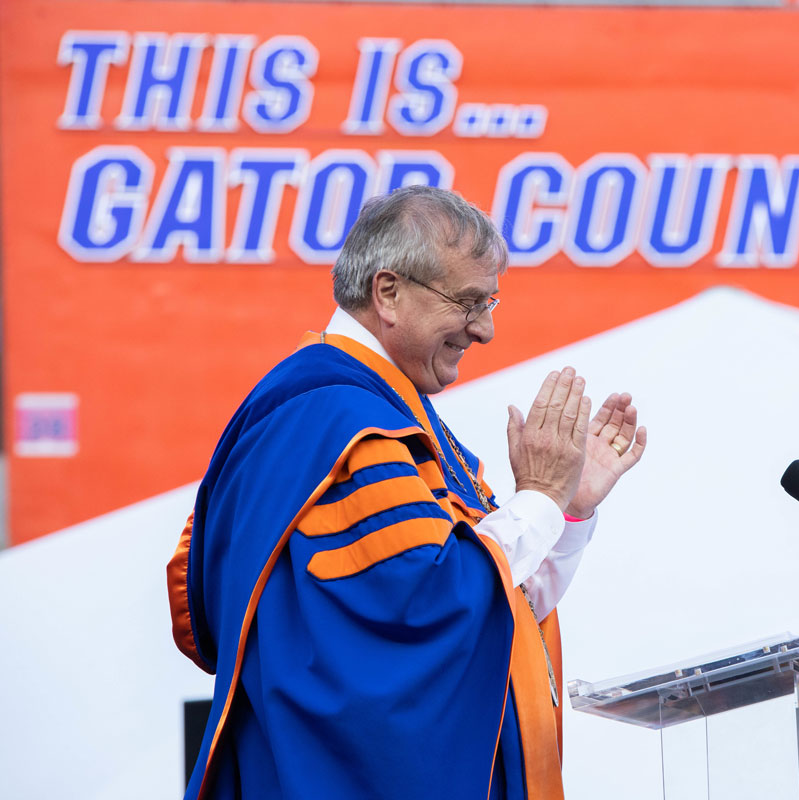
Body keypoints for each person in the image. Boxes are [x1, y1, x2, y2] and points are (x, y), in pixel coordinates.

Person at [167, 185, 646, 800]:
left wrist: (566, 508)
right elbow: (427, 607)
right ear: (388, 293)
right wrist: (538, 501)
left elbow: (497, 603)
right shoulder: (338, 425)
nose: (486, 329)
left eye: (490, 300)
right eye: (469, 302)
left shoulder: (389, 418)